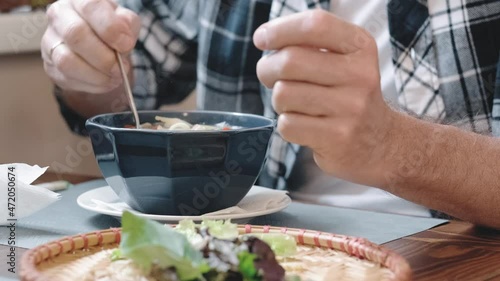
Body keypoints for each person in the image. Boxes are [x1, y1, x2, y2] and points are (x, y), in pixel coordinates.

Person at [41, 0, 500, 228]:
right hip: (251, 242)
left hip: (452, 252)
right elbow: (126, 85)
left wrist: (397, 147)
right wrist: (83, 63)